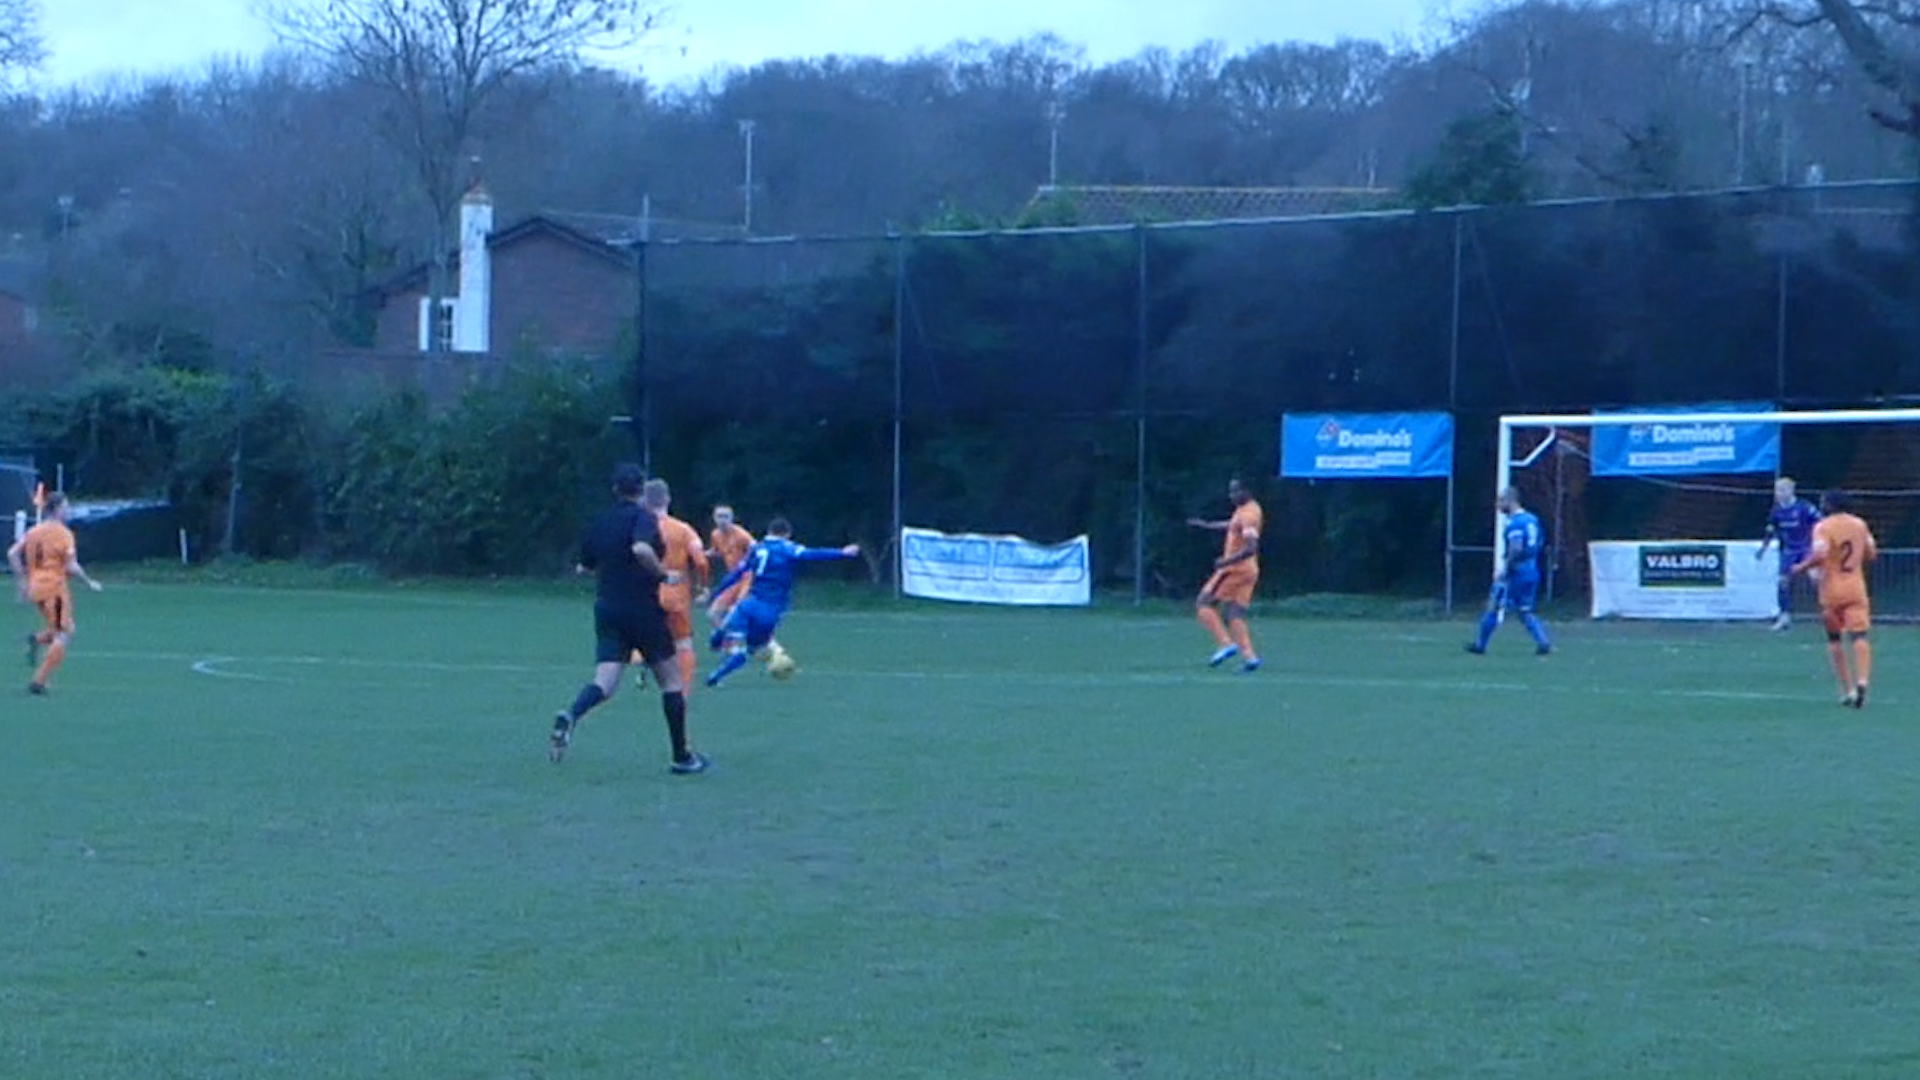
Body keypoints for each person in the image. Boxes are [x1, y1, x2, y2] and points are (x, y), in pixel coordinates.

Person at [549, 464, 708, 774]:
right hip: (642, 609)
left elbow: (586, 567)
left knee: (604, 682)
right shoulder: (643, 518)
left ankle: (571, 715)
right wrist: (664, 575)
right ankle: (682, 757)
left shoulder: (600, 523)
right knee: (672, 681)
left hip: (608, 608)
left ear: (614, 490)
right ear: (642, 492)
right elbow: (640, 548)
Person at [705, 518, 859, 687]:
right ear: (787, 534)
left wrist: (716, 592)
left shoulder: (757, 549)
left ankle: (719, 639)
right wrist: (842, 552)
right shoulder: (787, 548)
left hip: (749, 603)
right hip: (770, 609)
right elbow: (812, 554)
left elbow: (737, 573)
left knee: (729, 630)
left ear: (769, 531)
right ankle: (717, 673)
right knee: (751, 649)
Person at [7, 492, 103, 696]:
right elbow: (72, 565)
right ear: (56, 508)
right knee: (64, 633)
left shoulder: (34, 531)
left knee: (64, 627)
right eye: (65, 506)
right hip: (54, 588)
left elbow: (12, 553)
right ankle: (38, 682)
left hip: (36, 588)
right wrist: (88, 582)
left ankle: (35, 639)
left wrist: (22, 582)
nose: (68, 510)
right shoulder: (63, 534)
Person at [1793, 490, 1876, 708]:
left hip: (1831, 590)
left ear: (1829, 505)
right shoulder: (1859, 524)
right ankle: (1862, 681)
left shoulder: (1823, 526)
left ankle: (1846, 689)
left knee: (1834, 639)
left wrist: (1801, 568)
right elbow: (1871, 553)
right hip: (1855, 588)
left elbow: (1820, 554)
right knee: (1859, 636)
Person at [640, 479, 710, 694]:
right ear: (668, 499)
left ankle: (642, 660)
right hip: (676, 593)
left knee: (645, 636)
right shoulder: (682, 529)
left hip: (646, 592)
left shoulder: (639, 527)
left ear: (644, 500)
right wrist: (702, 586)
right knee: (683, 644)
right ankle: (682, 691)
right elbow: (700, 561)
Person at [1187, 477, 1263, 672]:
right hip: (1249, 570)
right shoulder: (1248, 510)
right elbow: (1232, 525)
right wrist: (1207, 525)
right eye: (1231, 491)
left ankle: (1225, 643)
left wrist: (1226, 561)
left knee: (1203, 603)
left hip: (1235, 569)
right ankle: (1250, 658)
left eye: (1236, 491)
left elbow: (1251, 547)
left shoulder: (1249, 515)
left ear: (1247, 491)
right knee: (1234, 614)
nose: (1232, 496)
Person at [1468, 487, 1552, 657]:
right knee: (1525, 610)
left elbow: (1516, 547)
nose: (1498, 505)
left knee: (1493, 605)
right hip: (1532, 570)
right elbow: (1540, 542)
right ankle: (1543, 642)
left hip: (1517, 572)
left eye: (1500, 501)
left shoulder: (1515, 523)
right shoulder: (1532, 519)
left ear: (1510, 501)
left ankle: (1480, 645)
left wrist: (1506, 568)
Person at [1755, 476, 1820, 632]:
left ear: (1791, 490)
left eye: (1782, 489)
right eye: (1777, 490)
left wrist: (1818, 542)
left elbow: (1821, 523)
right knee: (1783, 582)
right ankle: (1784, 617)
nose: (1779, 493)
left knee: (1816, 578)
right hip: (1789, 551)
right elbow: (1770, 531)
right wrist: (1762, 550)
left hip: (1807, 549)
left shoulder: (1804, 507)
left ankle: (1832, 611)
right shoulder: (1776, 511)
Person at [707, 504, 756, 624]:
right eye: (719, 516)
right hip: (733, 579)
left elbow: (756, 550)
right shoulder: (715, 535)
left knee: (736, 612)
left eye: (725, 516)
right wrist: (701, 554)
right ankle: (729, 640)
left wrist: (747, 563)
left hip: (747, 577)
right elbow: (717, 551)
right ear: (714, 518)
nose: (722, 520)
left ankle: (763, 637)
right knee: (713, 613)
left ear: (731, 518)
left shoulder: (741, 535)